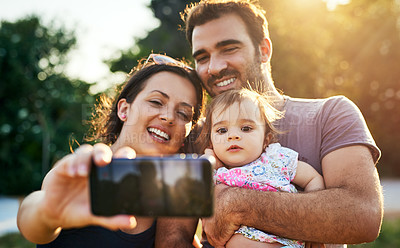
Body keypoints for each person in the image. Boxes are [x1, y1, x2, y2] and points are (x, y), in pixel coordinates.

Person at [181, 0, 383, 247]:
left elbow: (363, 215)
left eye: (229, 48)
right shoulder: (194, 135)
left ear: (264, 50)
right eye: (202, 57)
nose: (214, 67)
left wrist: (235, 204)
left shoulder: (330, 114)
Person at [17, 54, 206, 248]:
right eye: (156, 102)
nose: (169, 117)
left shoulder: (172, 204)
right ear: (124, 109)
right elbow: (30, 219)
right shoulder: (82, 173)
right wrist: (48, 213)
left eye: (183, 113)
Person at [198, 89, 325, 248]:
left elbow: (313, 178)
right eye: (222, 130)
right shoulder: (217, 174)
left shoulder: (275, 159)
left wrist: (315, 225)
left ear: (266, 140)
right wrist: (206, 163)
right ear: (211, 142)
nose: (233, 136)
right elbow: (193, 198)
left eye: (246, 128)